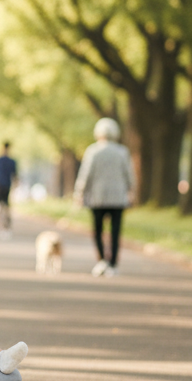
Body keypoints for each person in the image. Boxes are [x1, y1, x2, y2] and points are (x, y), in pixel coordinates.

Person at [74, 117, 135, 277]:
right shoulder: (123, 152)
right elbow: (129, 174)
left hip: (97, 198)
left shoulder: (92, 151)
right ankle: (113, 264)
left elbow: (85, 175)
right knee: (115, 232)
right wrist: (131, 191)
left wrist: (79, 193)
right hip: (118, 198)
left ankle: (102, 260)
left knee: (98, 230)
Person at [0, 142, 17, 235]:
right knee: (5, 206)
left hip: (0, 185)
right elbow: (15, 175)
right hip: (6, 185)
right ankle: (5, 224)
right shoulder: (11, 161)